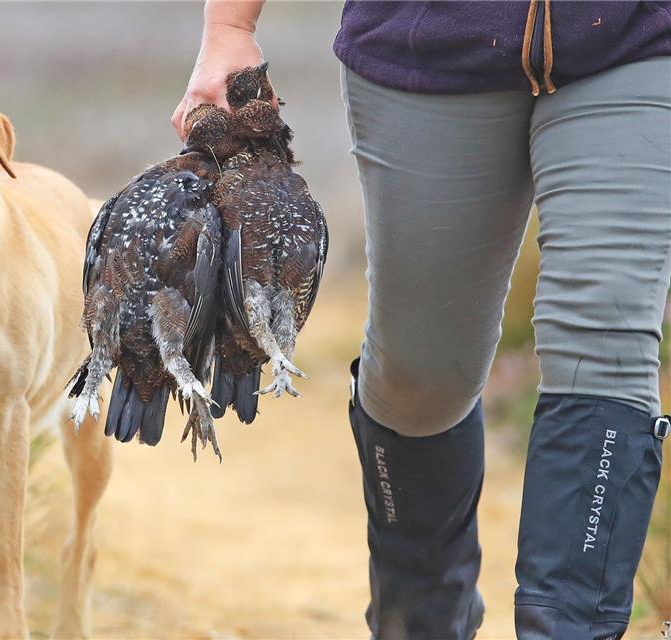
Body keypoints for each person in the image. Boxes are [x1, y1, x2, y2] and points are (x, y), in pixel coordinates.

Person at [173, 1, 671, 638]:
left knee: (606, 336)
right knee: (420, 375)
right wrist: (229, 29)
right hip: (429, 41)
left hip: (632, 38)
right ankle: (422, 620)